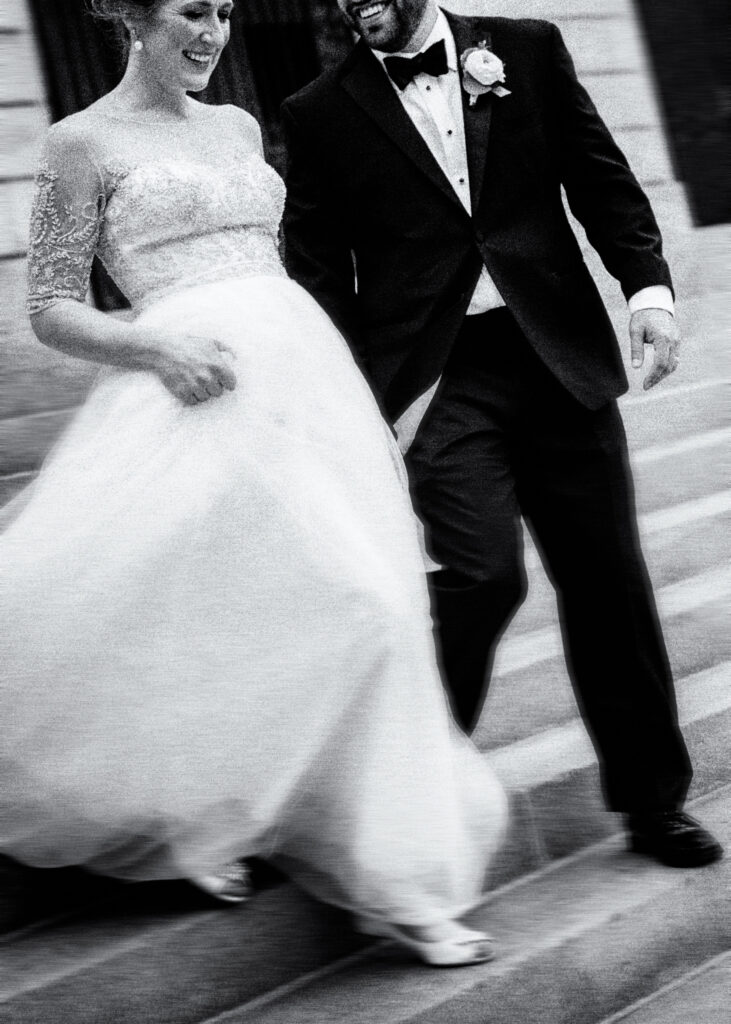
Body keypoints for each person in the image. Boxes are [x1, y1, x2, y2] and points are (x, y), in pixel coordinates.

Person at [0, 0, 509, 967]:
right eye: (193, 12)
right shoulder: (78, 141)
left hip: (296, 383)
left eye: (227, 13)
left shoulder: (236, 126)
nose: (215, 33)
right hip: (185, 388)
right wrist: (151, 346)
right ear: (135, 19)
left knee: (366, 597)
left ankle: (389, 874)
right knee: (312, 605)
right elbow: (52, 306)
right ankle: (304, 850)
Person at [281, 0, 723, 867]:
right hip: (436, 379)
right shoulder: (317, 111)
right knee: (479, 574)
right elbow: (319, 267)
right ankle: (407, 777)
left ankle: (650, 804)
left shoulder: (523, 46)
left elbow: (599, 179)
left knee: (608, 585)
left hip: (556, 357)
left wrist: (647, 293)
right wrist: (344, 398)